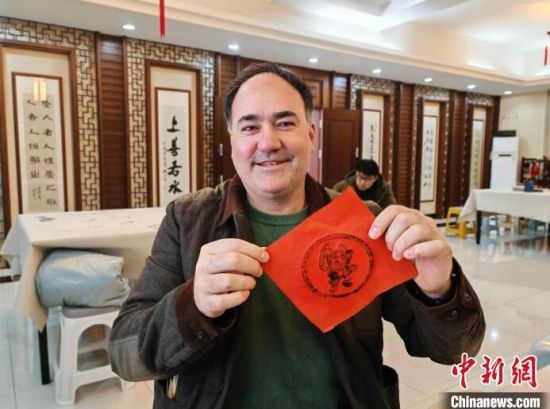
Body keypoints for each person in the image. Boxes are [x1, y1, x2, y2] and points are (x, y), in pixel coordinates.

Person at [109, 62, 485, 409]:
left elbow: (455, 351)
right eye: (250, 127)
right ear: (232, 139)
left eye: (285, 123)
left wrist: (440, 290)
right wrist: (192, 305)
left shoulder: (363, 223)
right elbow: (125, 354)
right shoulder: (188, 220)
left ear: (311, 133)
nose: (268, 142)